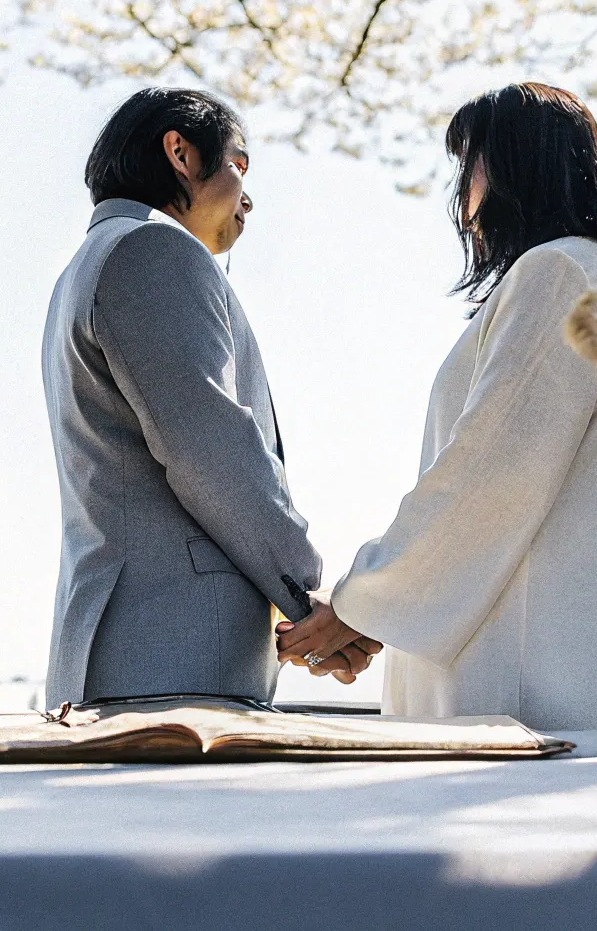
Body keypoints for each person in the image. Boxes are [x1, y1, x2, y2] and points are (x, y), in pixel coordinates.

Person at [277, 83, 597, 731]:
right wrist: (372, 609)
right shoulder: (585, 272)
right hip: (533, 636)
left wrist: (360, 601)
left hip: (522, 670)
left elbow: (492, 472)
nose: (460, 193)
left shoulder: (558, 273)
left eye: (468, 162)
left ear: (514, 164)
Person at [41, 87, 379, 708]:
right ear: (180, 153)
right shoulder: (154, 250)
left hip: (122, 648)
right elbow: (212, 454)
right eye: (238, 166)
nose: (248, 198)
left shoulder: (83, 269)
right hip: (172, 657)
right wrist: (312, 601)